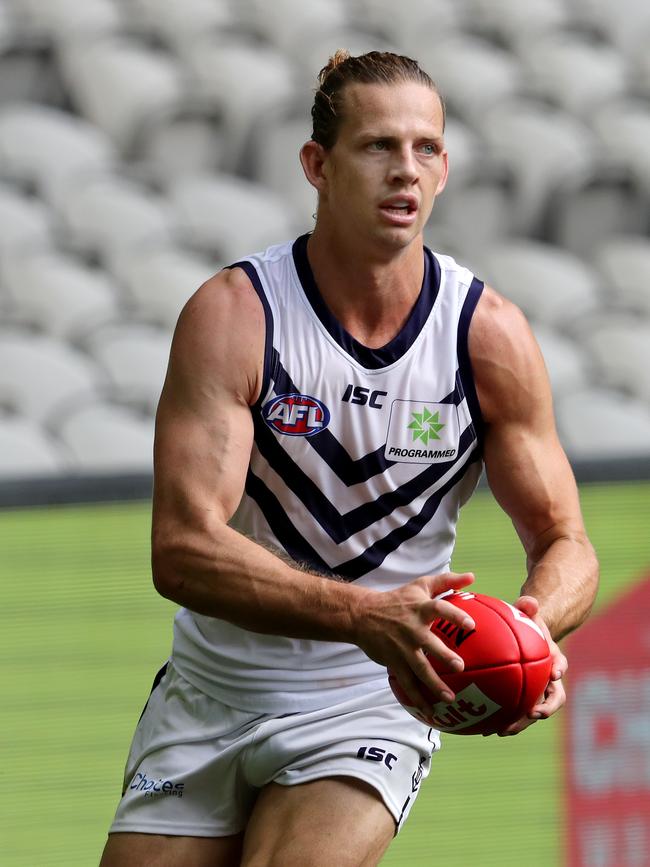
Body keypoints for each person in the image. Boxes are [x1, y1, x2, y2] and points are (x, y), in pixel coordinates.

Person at [99, 50, 599, 867]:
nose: (407, 170)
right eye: (378, 147)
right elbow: (183, 550)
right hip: (210, 691)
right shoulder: (236, 315)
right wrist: (364, 615)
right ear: (317, 166)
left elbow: (566, 541)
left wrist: (529, 631)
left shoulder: (486, 334)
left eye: (427, 148)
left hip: (373, 696)